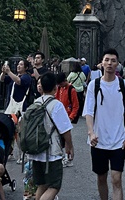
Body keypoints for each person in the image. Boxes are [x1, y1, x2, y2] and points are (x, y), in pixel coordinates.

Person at [83, 48, 125, 200]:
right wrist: (91, 132)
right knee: (101, 178)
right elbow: (89, 112)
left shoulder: (124, 85)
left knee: (116, 179)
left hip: (118, 140)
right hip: (98, 140)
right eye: (107, 60)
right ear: (101, 63)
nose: (109, 63)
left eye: (113, 60)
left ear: (118, 64)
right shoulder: (93, 86)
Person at [26, 72, 75, 200]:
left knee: (42, 185)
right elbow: (65, 130)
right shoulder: (56, 105)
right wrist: (69, 146)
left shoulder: (35, 103)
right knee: (54, 185)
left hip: (35, 150)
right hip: (51, 151)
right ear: (55, 88)